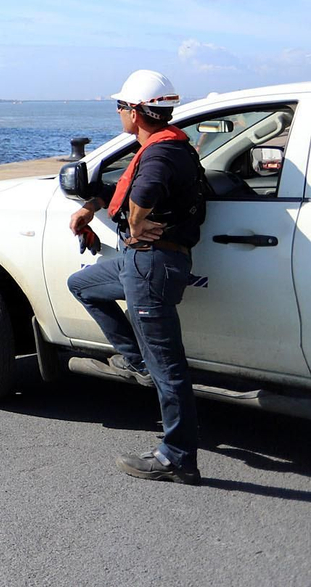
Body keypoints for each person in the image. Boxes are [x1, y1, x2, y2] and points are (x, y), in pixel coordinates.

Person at [65, 69, 207, 484]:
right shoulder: (171, 146)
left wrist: (136, 220)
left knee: (170, 368)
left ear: (137, 113)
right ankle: (137, 362)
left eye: (121, 106)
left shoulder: (160, 155)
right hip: (140, 263)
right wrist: (92, 205)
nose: (119, 113)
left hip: (151, 266)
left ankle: (177, 456)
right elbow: (131, 190)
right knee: (83, 285)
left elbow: (143, 195)